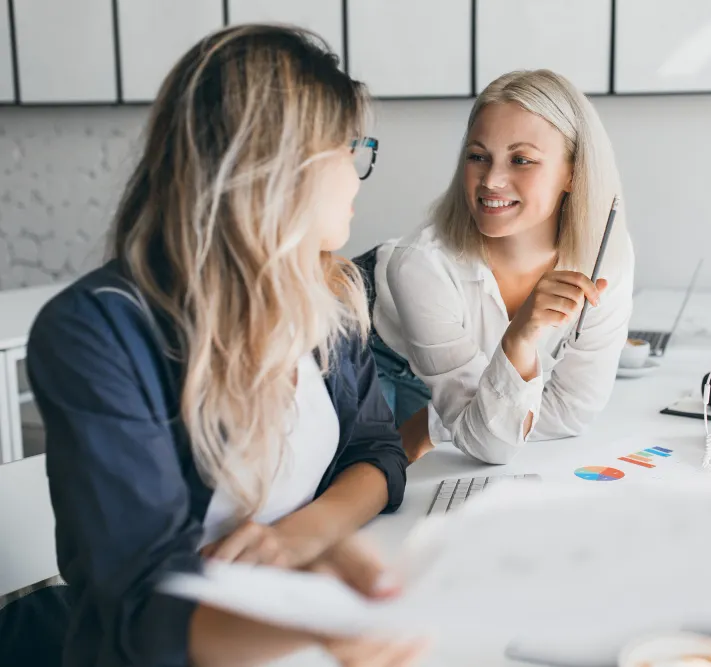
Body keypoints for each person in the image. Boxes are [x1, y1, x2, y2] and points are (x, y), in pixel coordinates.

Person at [6, 25, 423, 667]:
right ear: (281, 168)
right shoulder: (99, 332)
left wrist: (295, 542)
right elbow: (139, 613)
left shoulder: (327, 293)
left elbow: (377, 451)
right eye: (350, 147)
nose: (359, 171)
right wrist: (310, 614)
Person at [356, 69, 634, 465]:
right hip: (373, 345)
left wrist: (442, 423)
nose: (492, 180)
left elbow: (573, 410)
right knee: (364, 483)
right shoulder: (422, 264)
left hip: (463, 375)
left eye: (521, 159)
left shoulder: (608, 257)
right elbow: (491, 445)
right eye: (478, 157)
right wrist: (519, 340)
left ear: (573, 172)